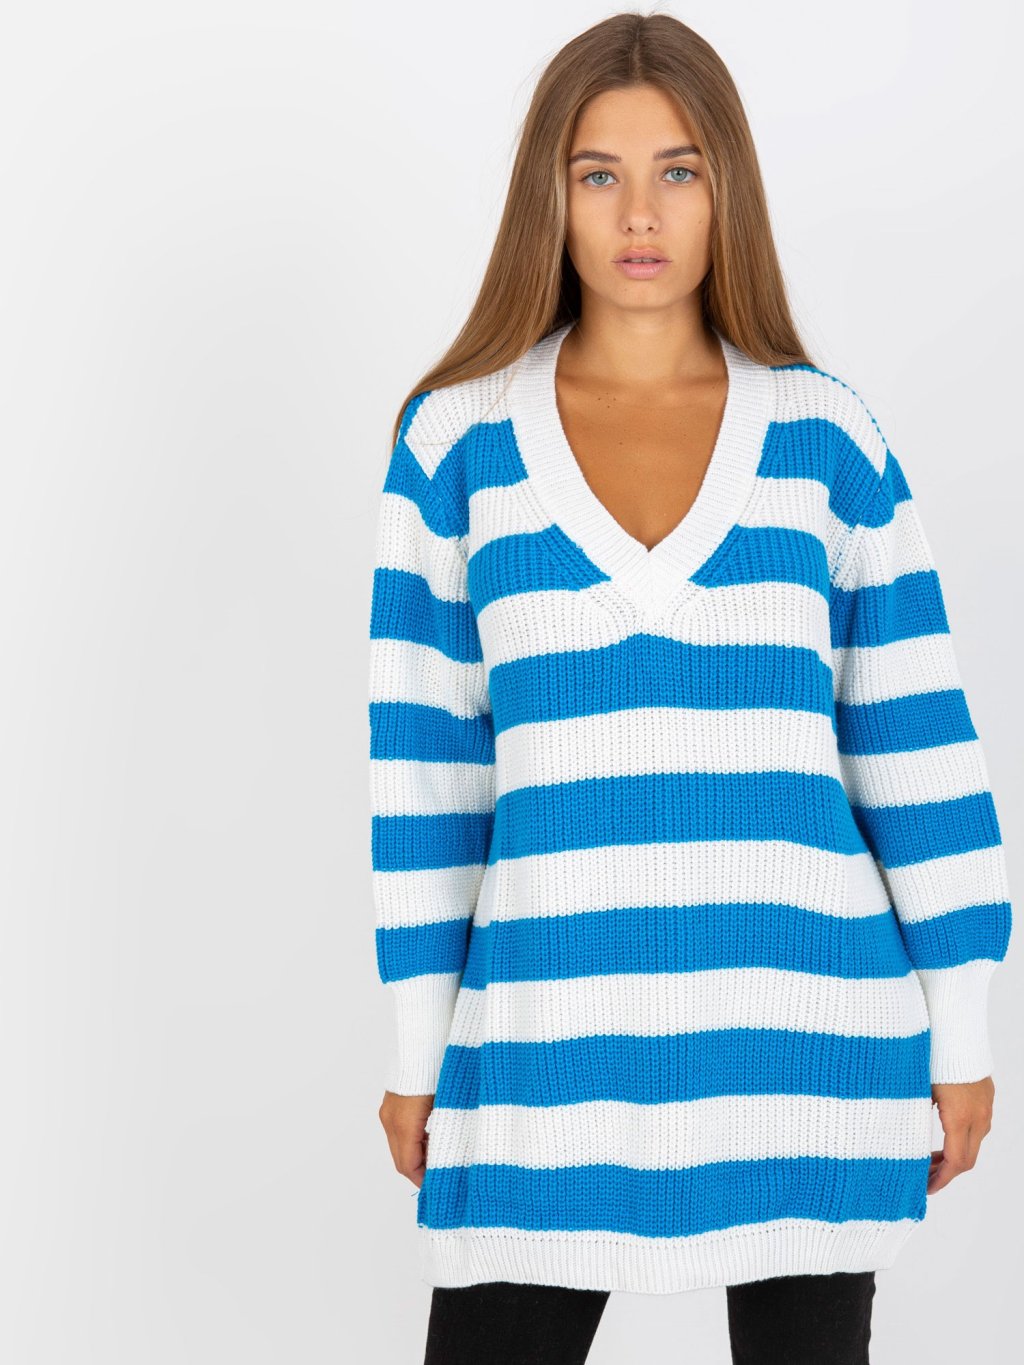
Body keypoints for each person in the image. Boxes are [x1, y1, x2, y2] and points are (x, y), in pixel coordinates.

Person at [368, 12, 1012, 1363]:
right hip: (548, 1051)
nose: (640, 213)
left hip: (808, 1044)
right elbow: (426, 785)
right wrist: (416, 1050)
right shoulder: (455, 445)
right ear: (550, 196)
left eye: (679, 170)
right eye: (598, 173)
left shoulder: (830, 438)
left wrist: (963, 1030)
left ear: (729, 190)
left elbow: (918, 751)